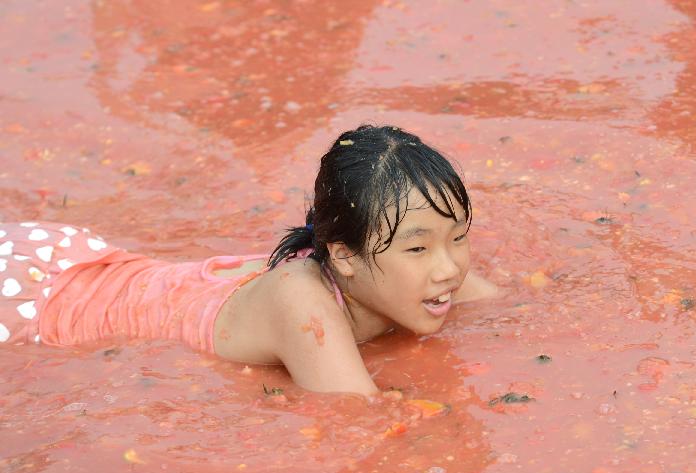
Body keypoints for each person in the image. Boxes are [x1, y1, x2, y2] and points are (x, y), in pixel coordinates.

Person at [0, 125, 497, 395]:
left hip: (79, 261)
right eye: (418, 247)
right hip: (42, 303)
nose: (450, 267)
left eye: (458, 237)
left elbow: (514, 312)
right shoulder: (302, 302)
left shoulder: (426, 268)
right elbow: (355, 416)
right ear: (343, 256)